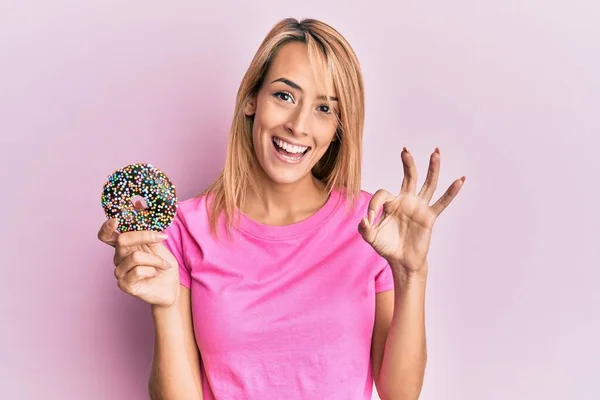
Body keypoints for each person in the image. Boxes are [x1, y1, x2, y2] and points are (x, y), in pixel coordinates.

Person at [97, 17, 465, 400]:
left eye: (324, 108)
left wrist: (411, 272)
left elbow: (400, 393)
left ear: (339, 127)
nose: (299, 125)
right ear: (251, 99)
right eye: (285, 96)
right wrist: (164, 306)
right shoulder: (187, 228)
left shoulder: (372, 226)